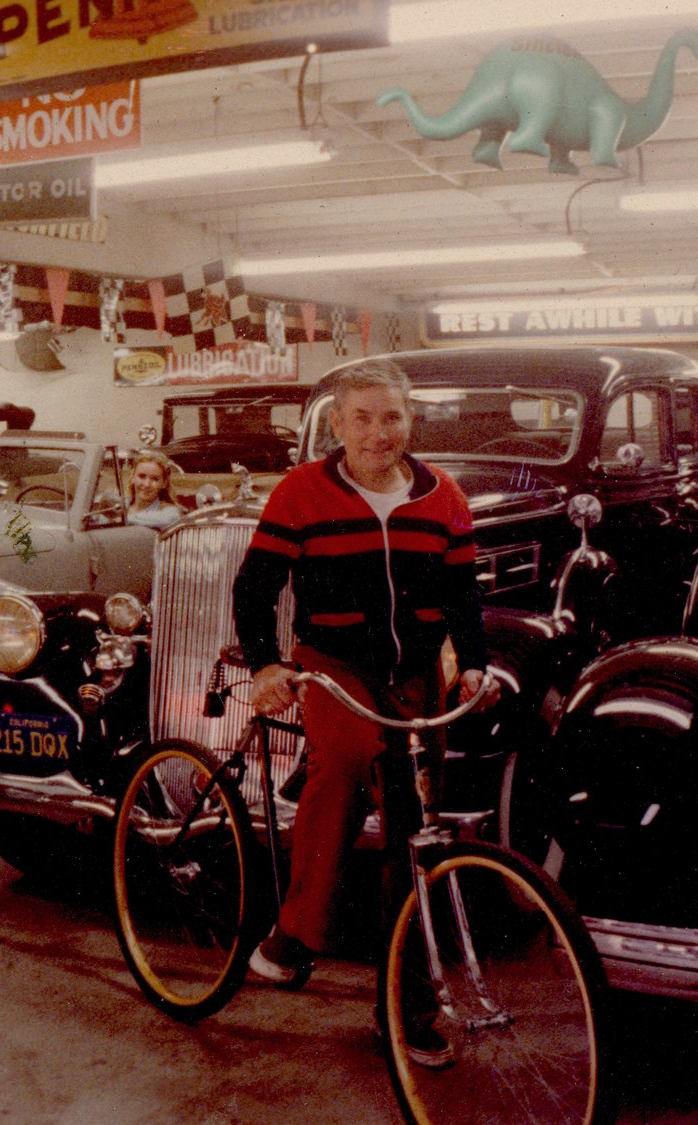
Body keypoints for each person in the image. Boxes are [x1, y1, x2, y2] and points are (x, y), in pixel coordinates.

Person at [229, 357, 497, 1068]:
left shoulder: (446, 498)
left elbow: (464, 593)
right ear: (338, 424)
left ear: (410, 420)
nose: (378, 432)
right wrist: (265, 664)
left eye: (392, 417)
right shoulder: (300, 492)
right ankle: (297, 932)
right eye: (362, 417)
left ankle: (403, 1003)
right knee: (346, 759)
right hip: (334, 665)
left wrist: (472, 659)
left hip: (414, 676)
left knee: (418, 829)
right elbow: (255, 588)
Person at [123, 454, 182, 528]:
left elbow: (169, 520)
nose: (147, 484)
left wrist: (120, 519)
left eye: (155, 479)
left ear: (164, 483)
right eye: (142, 476)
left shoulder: (169, 512)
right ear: (132, 478)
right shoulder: (121, 505)